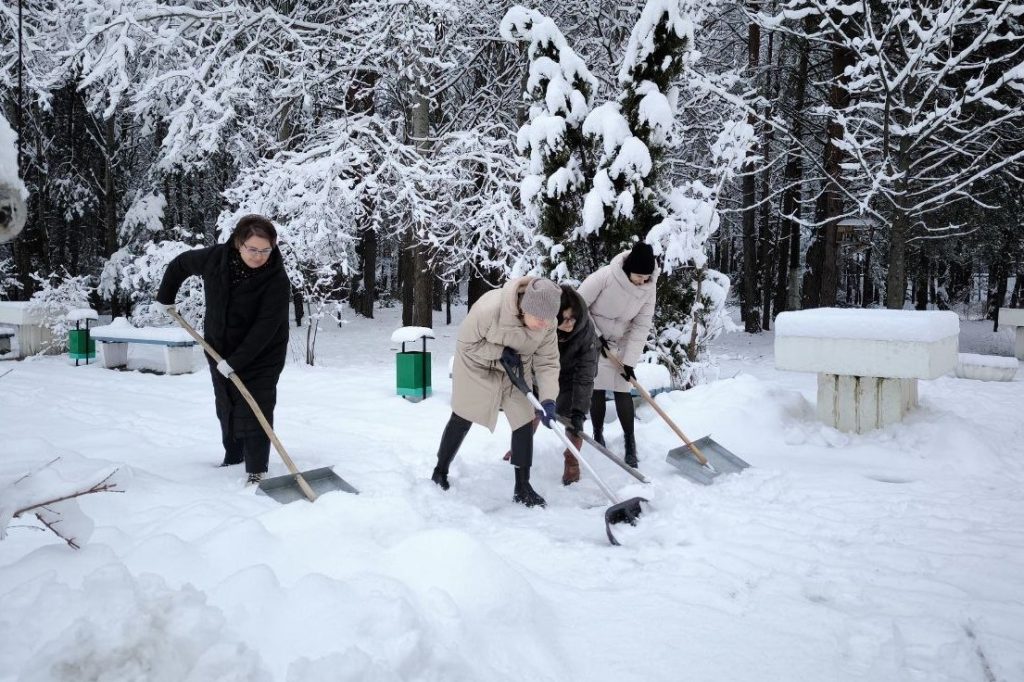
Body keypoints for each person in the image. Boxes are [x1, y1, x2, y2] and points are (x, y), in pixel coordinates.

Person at [153, 214, 291, 485]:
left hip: (263, 353)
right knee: (226, 402)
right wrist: (165, 298)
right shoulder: (215, 259)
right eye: (252, 249)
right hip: (219, 347)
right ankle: (233, 457)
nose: (258, 256)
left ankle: (256, 469)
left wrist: (237, 361)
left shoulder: (276, 279)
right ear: (239, 243)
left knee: (256, 405)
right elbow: (180, 264)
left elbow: (266, 327)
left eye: (265, 250)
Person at [432, 276, 562, 507]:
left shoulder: (547, 323)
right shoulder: (489, 309)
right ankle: (440, 471)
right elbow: (467, 344)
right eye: (540, 318)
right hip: (476, 365)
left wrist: (549, 400)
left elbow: (548, 363)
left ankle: (523, 486)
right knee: (463, 415)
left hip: (516, 368)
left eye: (549, 319)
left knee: (524, 419)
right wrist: (499, 351)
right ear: (525, 308)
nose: (545, 324)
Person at [502, 285, 599, 486]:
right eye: (566, 318)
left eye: (574, 318)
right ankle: (520, 448)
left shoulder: (585, 333)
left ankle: (572, 460)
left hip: (571, 377)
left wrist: (580, 412)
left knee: (574, 419)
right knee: (531, 411)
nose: (570, 323)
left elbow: (585, 376)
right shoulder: (540, 325)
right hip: (542, 373)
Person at [578, 241, 658, 469]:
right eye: (639, 276)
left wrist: (629, 362)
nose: (643, 281)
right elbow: (578, 304)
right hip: (595, 336)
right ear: (628, 268)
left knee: (624, 386)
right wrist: (594, 335)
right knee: (598, 386)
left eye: (647, 276)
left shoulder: (649, 287)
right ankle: (597, 433)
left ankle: (629, 441)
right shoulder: (604, 277)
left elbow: (642, 325)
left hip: (623, 339)